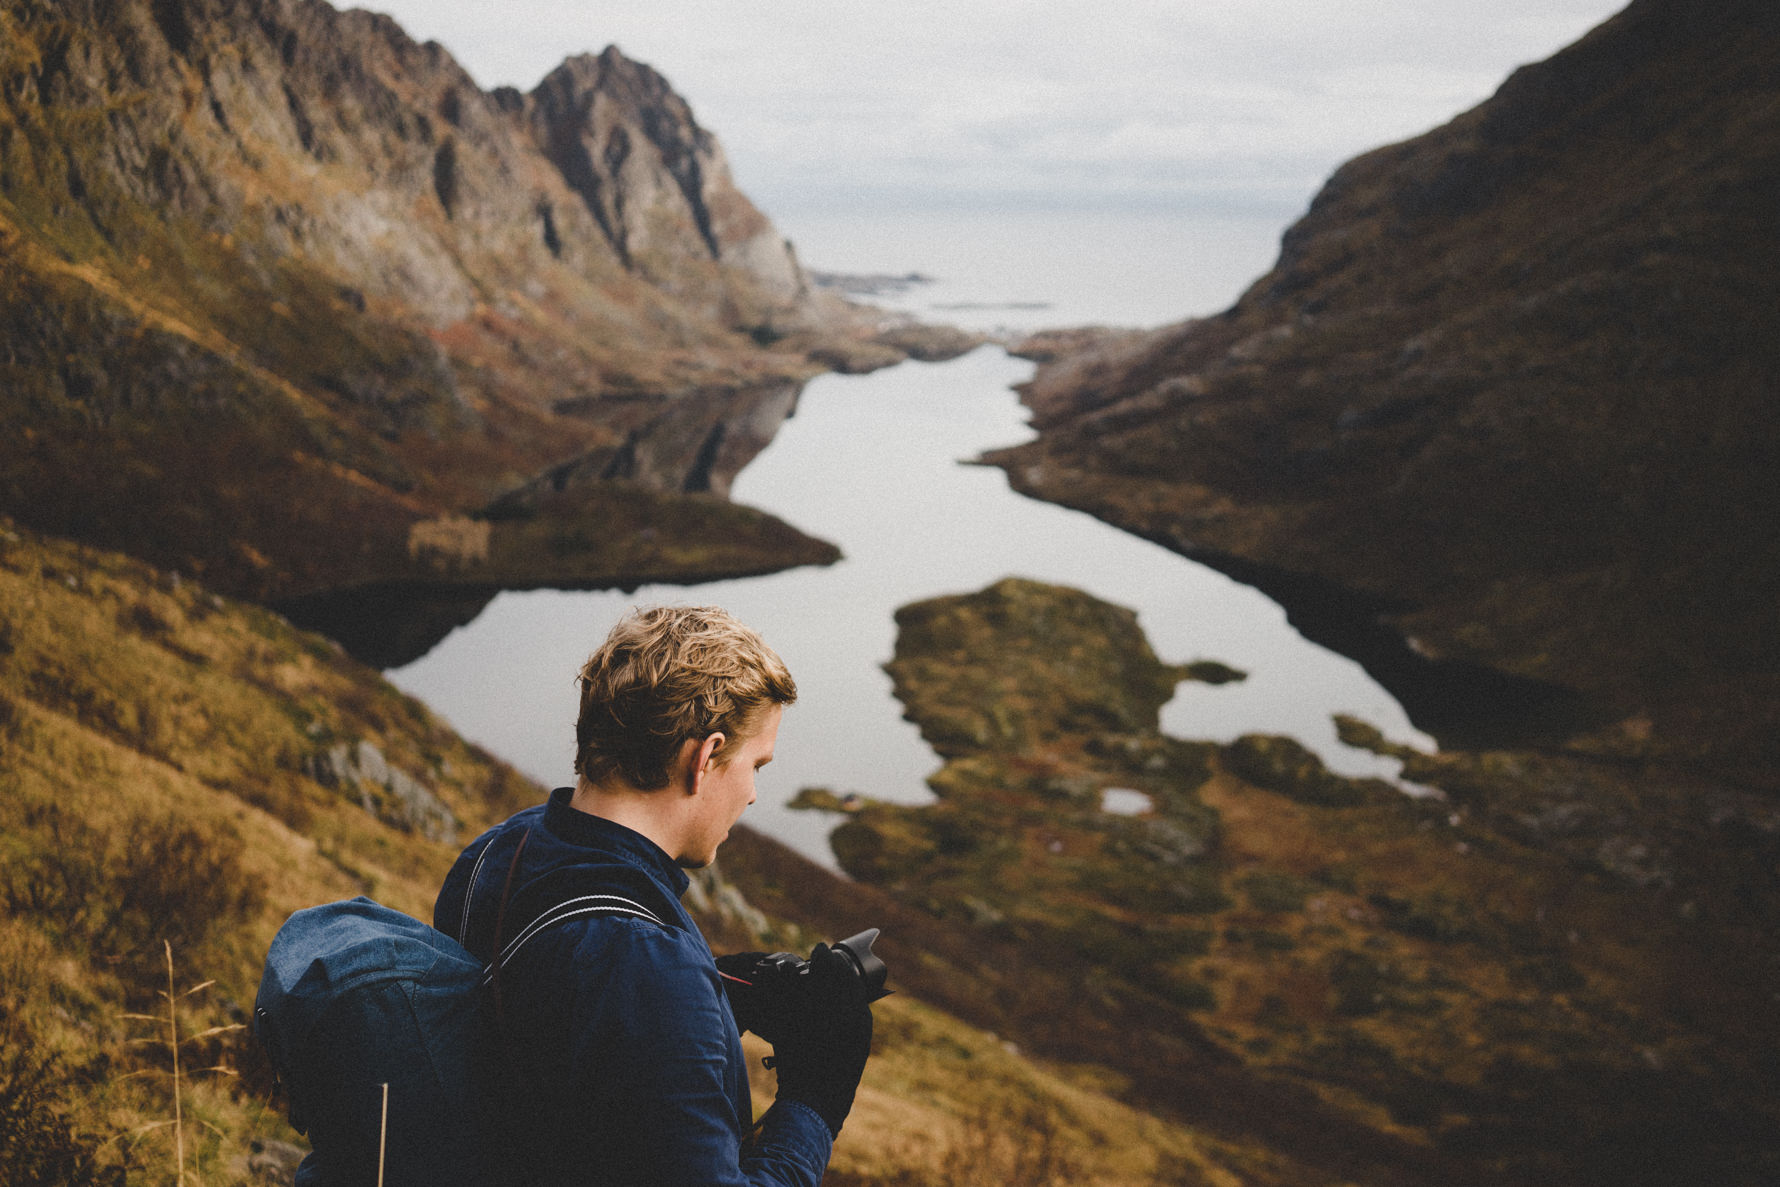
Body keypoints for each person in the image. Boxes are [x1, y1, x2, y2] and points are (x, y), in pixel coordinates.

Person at [433, 605, 873, 1186]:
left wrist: (718, 991)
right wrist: (817, 1098)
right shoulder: (640, 960)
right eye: (756, 765)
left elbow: (548, 1033)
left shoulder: (499, 849)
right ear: (705, 757)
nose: (752, 796)